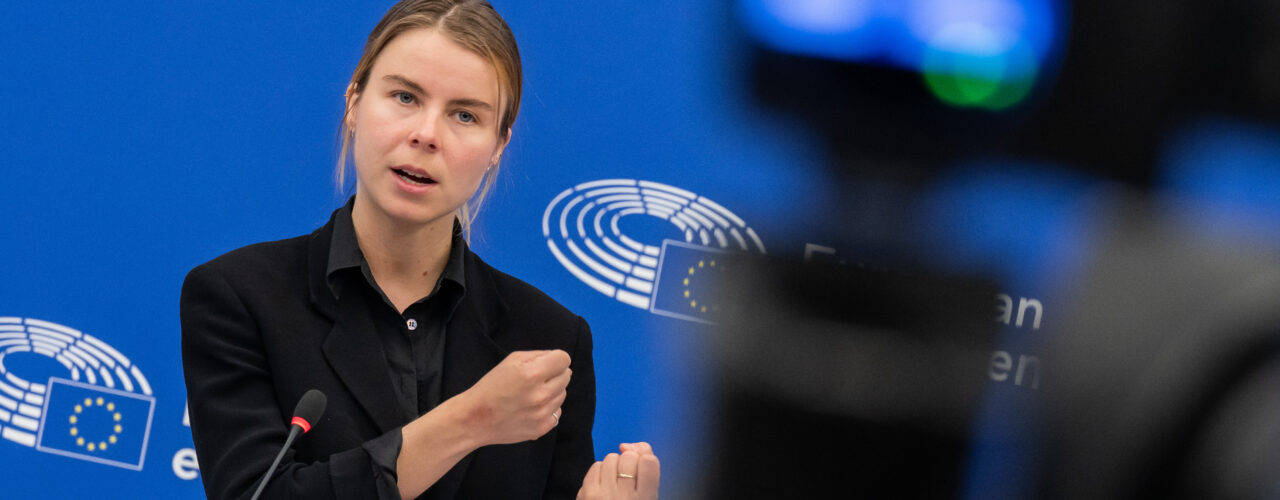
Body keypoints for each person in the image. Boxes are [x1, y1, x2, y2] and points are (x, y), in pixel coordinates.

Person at [180, 1, 658, 498]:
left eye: (465, 115)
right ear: (354, 103)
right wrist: (471, 419)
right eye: (405, 96)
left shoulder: (550, 340)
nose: (426, 135)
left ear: (499, 145)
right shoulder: (238, 297)